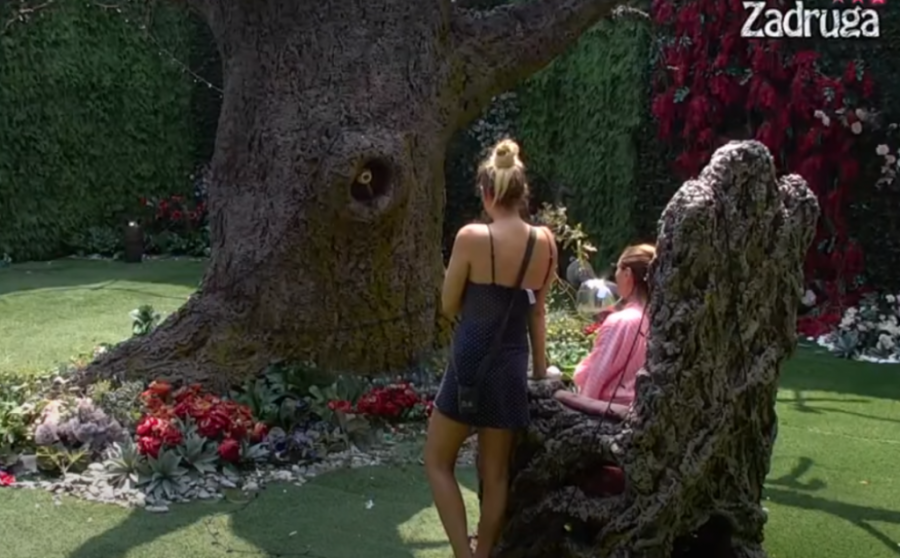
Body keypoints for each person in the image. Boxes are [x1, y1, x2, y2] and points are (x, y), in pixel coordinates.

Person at [425, 139, 557, 558]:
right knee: (496, 473)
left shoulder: (471, 237)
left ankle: (463, 555)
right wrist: (541, 370)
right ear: (522, 192)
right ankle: (483, 555)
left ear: (486, 193)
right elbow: (537, 313)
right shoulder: (546, 242)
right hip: (511, 367)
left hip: (470, 361)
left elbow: (448, 306)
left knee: (437, 461)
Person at [554, 243, 655, 419]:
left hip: (610, 413)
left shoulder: (621, 321)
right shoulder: (656, 319)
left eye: (617, 268)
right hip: (644, 411)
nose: (615, 275)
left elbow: (596, 378)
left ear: (627, 274)